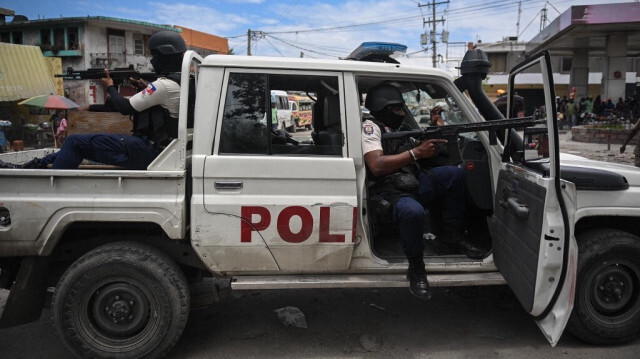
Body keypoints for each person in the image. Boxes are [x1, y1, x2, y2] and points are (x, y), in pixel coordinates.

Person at [362, 84, 485, 300]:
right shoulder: (371, 128)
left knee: (454, 175)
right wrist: (416, 152)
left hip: (412, 180)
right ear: (383, 109)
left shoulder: (398, 128)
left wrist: (437, 128)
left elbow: (415, 149)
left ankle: (451, 237)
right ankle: (417, 269)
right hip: (389, 190)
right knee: (413, 212)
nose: (402, 114)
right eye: (398, 109)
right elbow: (377, 165)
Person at [0, 30, 186, 170]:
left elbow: (124, 107)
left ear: (163, 56)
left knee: (74, 142)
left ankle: (50, 185)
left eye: (155, 56)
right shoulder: (183, 82)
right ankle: (33, 166)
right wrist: (142, 87)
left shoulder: (164, 85)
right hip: (162, 149)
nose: (153, 61)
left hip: (150, 150)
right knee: (75, 146)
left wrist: (109, 86)